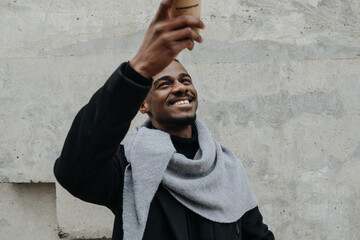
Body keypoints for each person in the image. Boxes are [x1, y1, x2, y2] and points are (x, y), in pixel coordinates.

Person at [53, 0, 275, 239]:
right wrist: (138, 69)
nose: (180, 88)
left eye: (185, 80)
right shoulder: (129, 164)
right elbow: (74, 171)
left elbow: (258, 235)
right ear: (143, 104)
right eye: (164, 84)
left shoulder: (226, 167)